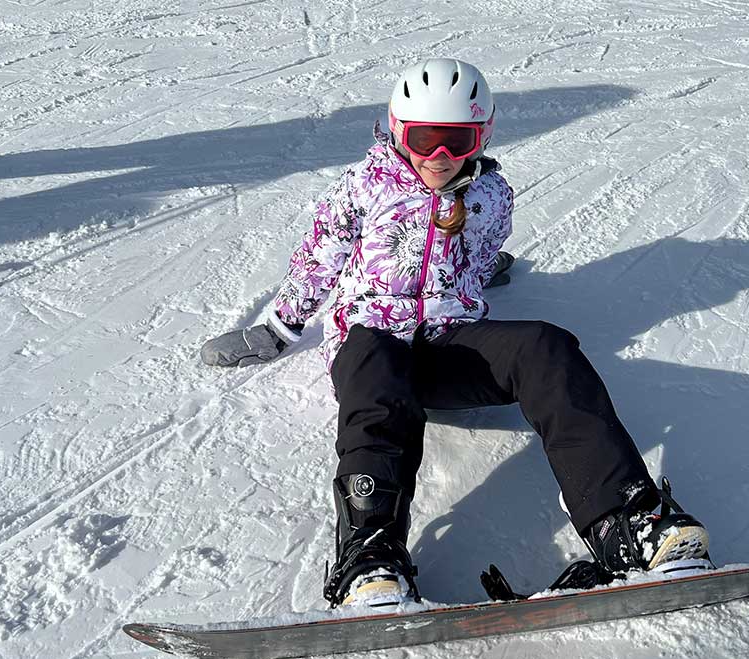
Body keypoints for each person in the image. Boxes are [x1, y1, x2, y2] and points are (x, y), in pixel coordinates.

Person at [200, 58, 710, 609]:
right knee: (376, 382)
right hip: (372, 341)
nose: (438, 156)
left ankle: (629, 521)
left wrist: (482, 270)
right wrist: (279, 328)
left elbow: (481, 245)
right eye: (423, 138)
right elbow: (321, 256)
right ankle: (370, 555)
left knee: (546, 346)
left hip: (450, 342)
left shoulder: (491, 195)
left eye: (456, 139)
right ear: (398, 131)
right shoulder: (365, 187)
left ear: (481, 134)